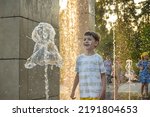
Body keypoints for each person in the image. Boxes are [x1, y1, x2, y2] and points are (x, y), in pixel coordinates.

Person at [70, 31, 106, 100]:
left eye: (89, 39)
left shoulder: (98, 58)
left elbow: (103, 76)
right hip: (84, 94)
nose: (86, 41)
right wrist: (73, 91)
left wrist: (103, 91)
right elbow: (77, 75)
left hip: (96, 94)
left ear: (95, 43)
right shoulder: (79, 58)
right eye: (84, 39)